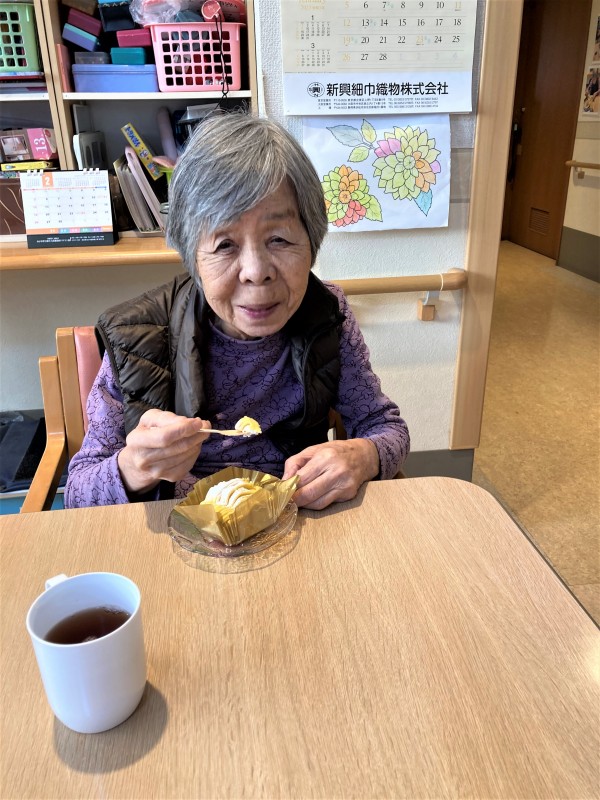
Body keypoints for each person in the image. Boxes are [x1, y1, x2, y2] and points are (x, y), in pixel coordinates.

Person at [65, 112, 410, 511]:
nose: (256, 272)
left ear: (312, 241)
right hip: (180, 526)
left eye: (279, 239)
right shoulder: (138, 334)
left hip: (291, 518)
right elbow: (78, 494)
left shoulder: (326, 314)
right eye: (225, 245)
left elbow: (386, 427)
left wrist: (364, 455)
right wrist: (132, 467)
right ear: (193, 256)